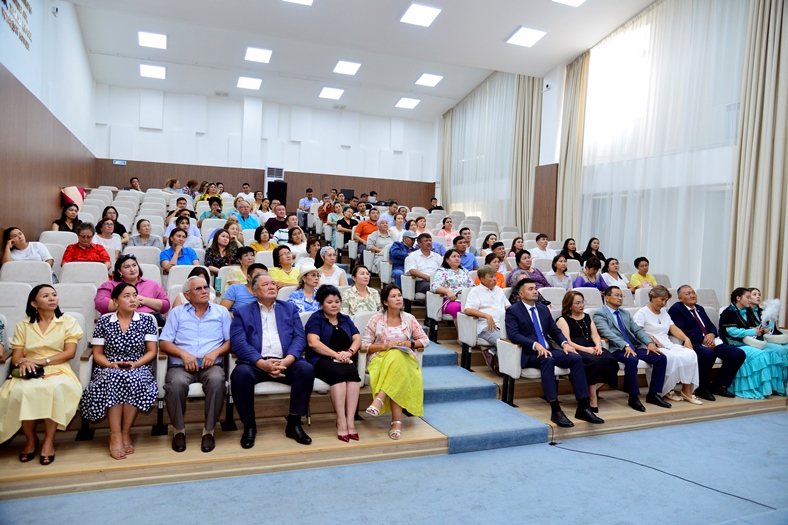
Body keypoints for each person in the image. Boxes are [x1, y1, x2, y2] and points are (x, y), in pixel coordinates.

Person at [0, 285, 84, 465]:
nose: (52, 298)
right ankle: (31, 439)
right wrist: (24, 362)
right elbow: (16, 357)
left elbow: (69, 353)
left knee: (53, 389)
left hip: (57, 367)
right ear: (34, 303)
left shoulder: (67, 321)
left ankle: (49, 441)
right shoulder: (23, 325)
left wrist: (41, 361)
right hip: (28, 369)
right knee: (21, 391)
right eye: (45, 296)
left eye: (54, 295)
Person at [230, 272, 315, 447]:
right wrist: (261, 363)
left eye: (273, 284)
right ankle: (249, 426)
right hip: (256, 364)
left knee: (306, 370)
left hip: (285, 362)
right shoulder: (242, 312)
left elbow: (299, 338)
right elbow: (238, 342)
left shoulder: (289, 308)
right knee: (239, 375)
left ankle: (294, 423)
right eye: (265, 284)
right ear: (254, 292)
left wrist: (287, 361)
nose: (271, 287)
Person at [505, 278, 604, 427]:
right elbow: (514, 335)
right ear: (521, 294)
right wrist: (535, 345)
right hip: (529, 353)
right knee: (548, 360)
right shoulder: (513, 311)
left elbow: (555, 331)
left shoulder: (543, 309)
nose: (535, 291)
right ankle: (555, 409)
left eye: (535, 288)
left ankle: (583, 407)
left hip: (549, 350)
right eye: (530, 289)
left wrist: (565, 344)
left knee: (575, 358)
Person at [80, 283, 158, 459]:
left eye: (135, 295)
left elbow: (151, 351)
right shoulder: (104, 321)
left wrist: (136, 364)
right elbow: (97, 353)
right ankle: (115, 434)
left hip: (139, 366)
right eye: (126, 296)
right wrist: (110, 364)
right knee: (115, 377)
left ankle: (125, 432)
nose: (133, 299)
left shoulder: (147, 320)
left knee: (133, 378)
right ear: (115, 301)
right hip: (108, 366)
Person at [160, 276, 232, 453]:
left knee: (217, 381)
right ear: (187, 295)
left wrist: (215, 353)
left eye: (206, 287)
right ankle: (179, 430)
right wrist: (183, 354)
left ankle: (209, 431)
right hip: (181, 366)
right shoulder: (177, 313)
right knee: (175, 385)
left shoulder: (221, 312)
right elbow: (164, 343)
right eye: (198, 289)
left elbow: (230, 341)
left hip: (211, 365)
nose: (204, 291)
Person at [362, 284, 429, 440]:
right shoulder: (376, 319)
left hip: (405, 359)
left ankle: (379, 399)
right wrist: (384, 346)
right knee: (395, 359)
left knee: (397, 356)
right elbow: (364, 345)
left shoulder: (409, 319)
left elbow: (425, 340)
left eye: (399, 295)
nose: (398, 299)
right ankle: (396, 423)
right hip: (380, 359)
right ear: (385, 302)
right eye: (393, 296)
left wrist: (409, 343)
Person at [593, 286, 671, 411]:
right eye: (617, 295)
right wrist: (625, 345)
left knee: (660, 358)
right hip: (616, 348)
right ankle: (633, 397)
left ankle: (653, 394)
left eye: (621, 296)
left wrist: (649, 343)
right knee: (632, 359)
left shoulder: (625, 313)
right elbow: (607, 333)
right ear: (607, 298)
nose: (620, 298)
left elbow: (637, 330)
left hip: (633, 346)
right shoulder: (600, 314)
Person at [668, 285, 745, 400]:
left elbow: (710, 325)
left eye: (693, 293)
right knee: (708, 354)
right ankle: (702, 388)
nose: (692, 295)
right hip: (693, 342)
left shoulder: (699, 308)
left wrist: (711, 335)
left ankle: (718, 385)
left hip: (711, 341)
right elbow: (681, 330)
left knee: (738, 354)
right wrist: (703, 340)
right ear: (680, 298)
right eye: (688, 294)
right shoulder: (676, 309)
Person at [305, 285, 362, 441]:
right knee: (338, 375)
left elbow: (357, 338)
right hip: (320, 359)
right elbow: (313, 342)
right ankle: (341, 420)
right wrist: (335, 355)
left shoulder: (345, 319)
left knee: (353, 374)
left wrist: (349, 352)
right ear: (321, 304)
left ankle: (350, 421)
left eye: (337, 301)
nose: (334, 305)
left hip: (344, 357)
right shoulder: (316, 318)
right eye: (329, 302)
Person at [633, 286, 702, 404]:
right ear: (652, 297)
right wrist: (651, 338)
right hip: (649, 345)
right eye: (661, 299)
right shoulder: (642, 313)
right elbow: (636, 331)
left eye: (666, 300)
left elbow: (673, 328)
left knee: (690, 353)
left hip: (667, 343)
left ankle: (686, 391)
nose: (664, 303)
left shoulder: (664, 312)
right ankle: (667, 389)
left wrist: (686, 339)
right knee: (671, 357)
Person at [556, 291, 620, 414]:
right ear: (569, 305)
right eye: (577, 303)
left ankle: (591, 390)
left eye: (582, 302)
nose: (581, 305)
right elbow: (567, 341)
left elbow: (595, 335)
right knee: (594, 362)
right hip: (576, 349)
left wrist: (598, 346)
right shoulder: (563, 320)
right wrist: (586, 350)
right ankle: (593, 397)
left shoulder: (587, 316)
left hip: (592, 347)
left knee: (611, 361)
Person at [719, 287, 786, 399]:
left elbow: (752, 326)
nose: (750, 300)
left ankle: (774, 387)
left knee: (776, 351)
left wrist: (761, 329)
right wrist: (753, 331)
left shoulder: (748, 311)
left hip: (750, 341)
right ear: (738, 298)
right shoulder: (729, 312)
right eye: (748, 297)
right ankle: (753, 388)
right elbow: (732, 332)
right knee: (762, 355)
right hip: (735, 343)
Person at [95, 254, 170, 322]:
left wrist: (143, 300)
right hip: (118, 323)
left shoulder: (153, 285)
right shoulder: (109, 285)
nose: (132, 269)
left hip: (148, 322)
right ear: (119, 271)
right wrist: (130, 302)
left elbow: (165, 306)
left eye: (134, 265)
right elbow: (101, 304)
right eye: (127, 267)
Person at [464, 265, 509, 370]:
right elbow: (468, 310)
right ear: (482, 279)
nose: (494, 279)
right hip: (486, 326)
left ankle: (492, 352)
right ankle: (503, 369)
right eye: (491, 277)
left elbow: (508, 306)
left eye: (495, 276)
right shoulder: (475, 291)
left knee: (517, 339)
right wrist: (487, 316)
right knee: (504, 343)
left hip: (503, 324)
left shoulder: (499, 290)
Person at [430, 249, 474, 321]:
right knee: (458, 307)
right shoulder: (442, 271)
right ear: (447, 259)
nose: (457, 258)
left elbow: (472, 285)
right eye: (454, 256)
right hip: (450, 300)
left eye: (458, 257)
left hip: (465, 299)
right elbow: (435, 286)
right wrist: (448, 292)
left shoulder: (464, 271)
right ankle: (461, 329)